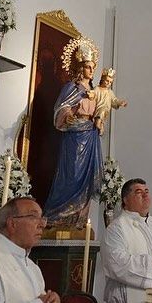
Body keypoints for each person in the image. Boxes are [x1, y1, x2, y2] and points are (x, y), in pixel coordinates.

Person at [43, 37, 103, 226]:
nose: (91, 70)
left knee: (86, 181)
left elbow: (100, 110)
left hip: (91, 136)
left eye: (93, 66)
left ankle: (79, 220)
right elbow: (60, 114)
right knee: (72, 176)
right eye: (87, 66)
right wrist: (75, 110)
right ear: (79, 68)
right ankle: (59, 215)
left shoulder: (95, 91)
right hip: (75, 138)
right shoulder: (71, 88)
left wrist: (99, 121)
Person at [91, 67, 128, 135]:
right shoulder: (97, 88)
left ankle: (101, 124)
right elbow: (92, 94)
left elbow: (114, 100)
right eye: (107, 81)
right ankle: (98, 123)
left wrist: (120, 103)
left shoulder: (109, 92)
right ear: (102, 79)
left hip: (106, 109)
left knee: (102, 115)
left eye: (110, 82)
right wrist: (90, 94)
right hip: (98, 107)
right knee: (101, 112)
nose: (108, 83)